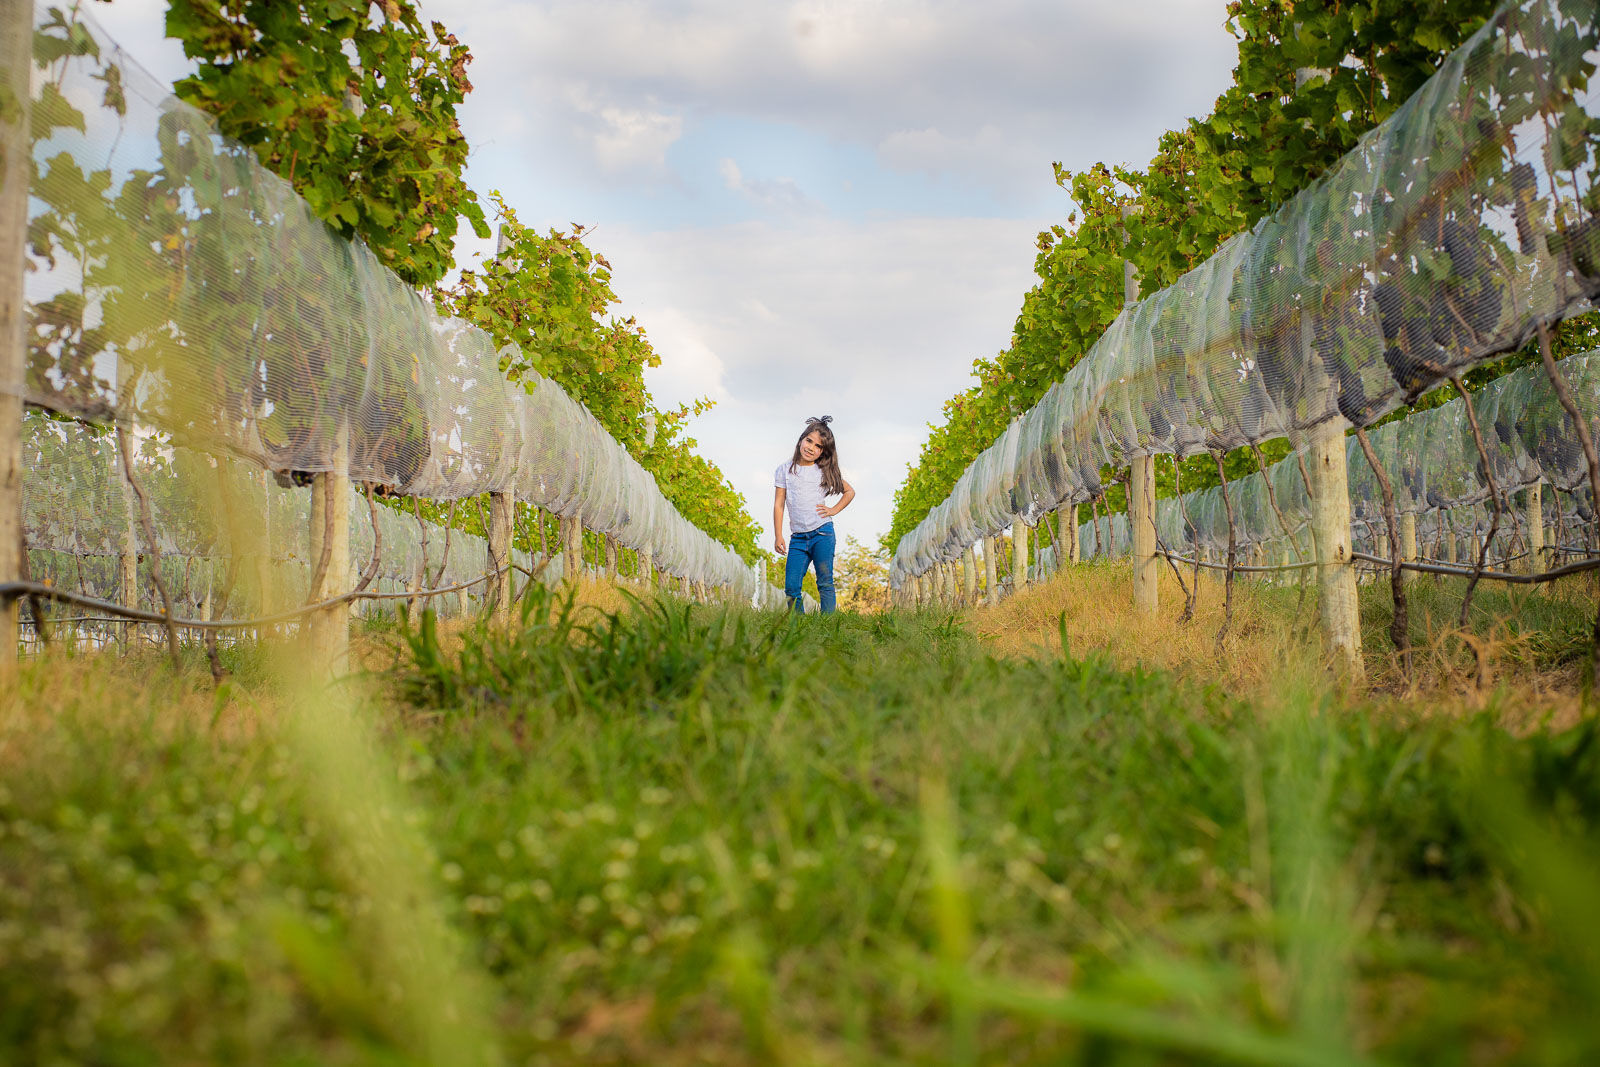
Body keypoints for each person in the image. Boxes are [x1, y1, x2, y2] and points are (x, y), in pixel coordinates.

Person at [773, 416, 855, 614]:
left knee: (825, 581)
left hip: (822, 534)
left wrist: (833, 510)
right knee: (791, 587)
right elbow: (779, 504)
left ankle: (827, 624)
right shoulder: (784, 470)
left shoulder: (823, 471)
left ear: (823, 452)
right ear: (801, 439)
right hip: (798, 539)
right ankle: (798, 625)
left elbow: (849, 491)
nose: (811, 448)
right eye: (809, 441)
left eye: (818, 446)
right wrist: (778, 535)